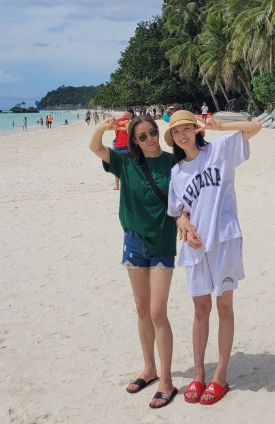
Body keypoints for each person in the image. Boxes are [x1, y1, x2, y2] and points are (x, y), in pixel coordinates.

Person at [89, 114, 191, 410]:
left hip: (161, 243)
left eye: (152, 132)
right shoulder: (123, 161)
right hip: (134, 241)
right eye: (142, 136)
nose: (149, 139)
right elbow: (95, 148)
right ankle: (149, 369)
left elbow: (185, 197)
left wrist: (184, 216)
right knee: (142, 309)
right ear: (133, 140)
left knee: (158, 312)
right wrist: (102, 128)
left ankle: (167, 381)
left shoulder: (174, 162)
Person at [166, 109, 261, 406]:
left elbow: (255, 127)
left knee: (224, 306)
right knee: (200, 310)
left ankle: (220, 376)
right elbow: (178, 210)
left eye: (186, 129)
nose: (182, 135)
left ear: (196, 129)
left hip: (225, 237)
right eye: (176, 132)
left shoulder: (220, 150)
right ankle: (198, 375)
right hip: (195, 246)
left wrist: (222, 125)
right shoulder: (177, 171)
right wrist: (182, 221)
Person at [112, 110, 133, 191]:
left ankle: (119, 185)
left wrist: (117, 126)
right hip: (121, 144)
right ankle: (120, 185)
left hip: (121, 144)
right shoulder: (124, 120)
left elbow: (126, 127)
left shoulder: (123, 121)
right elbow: (126, 127)